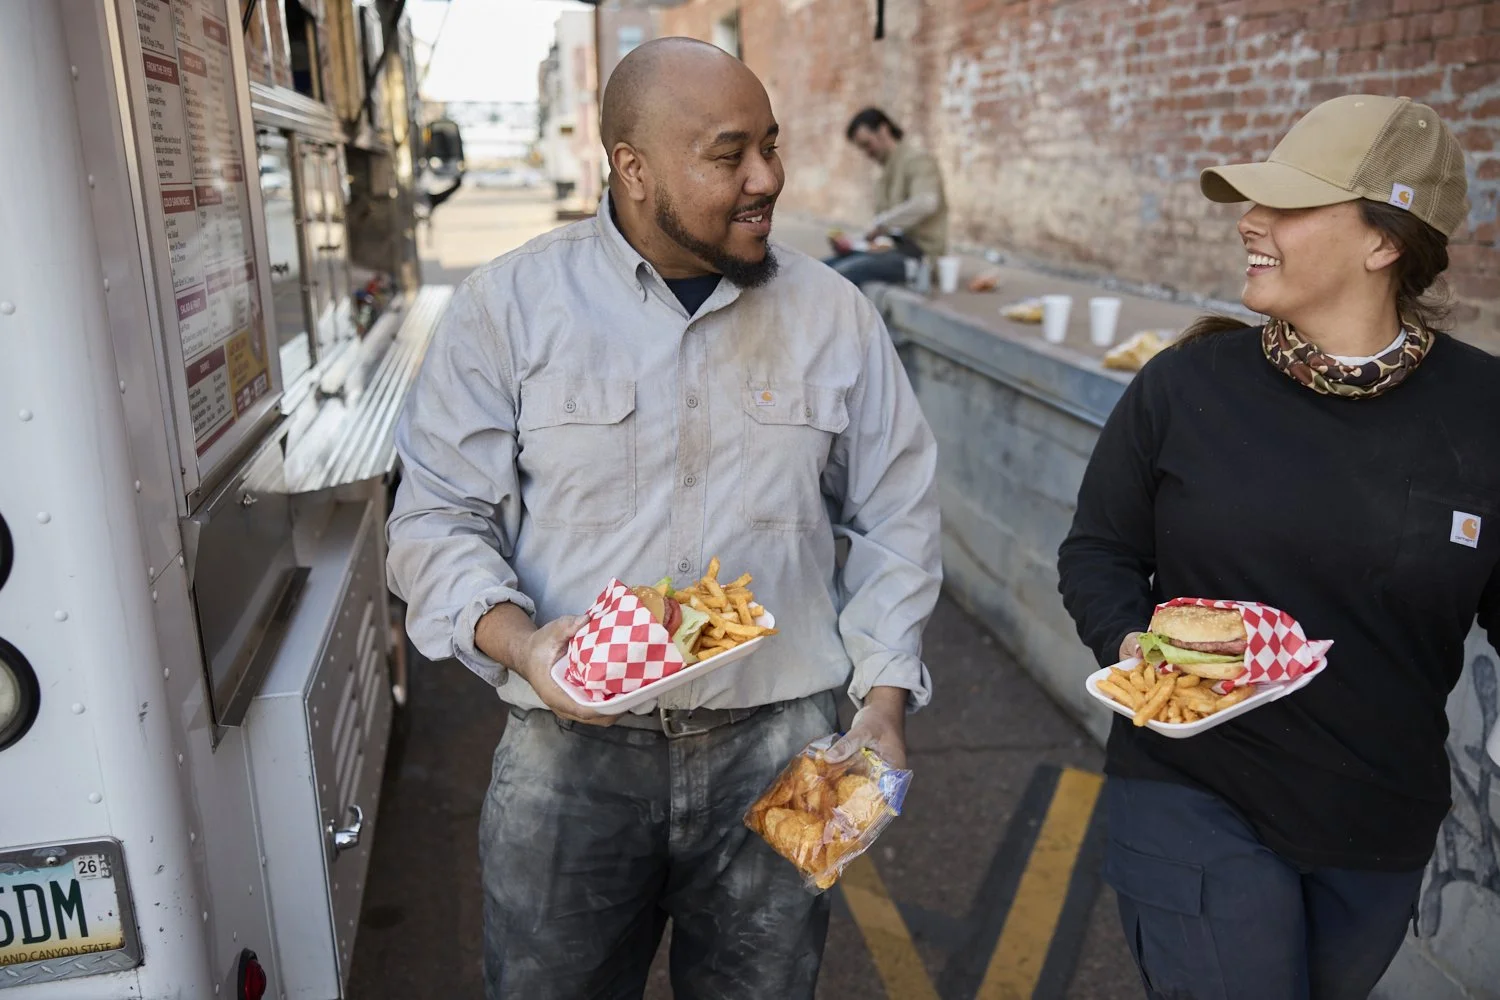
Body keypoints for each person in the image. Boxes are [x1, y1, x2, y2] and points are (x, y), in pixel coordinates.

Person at [386, 37, 941, 1000]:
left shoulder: (835, 315)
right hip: (569, 762)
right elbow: (434, 520)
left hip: (783, 748)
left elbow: (897, 513)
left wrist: (884, 698)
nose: (766, 177)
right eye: (730, 156)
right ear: (632, 168)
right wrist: (523, 647)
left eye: (772, 145)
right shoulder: (509, 307)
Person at [1057, 94, 1499, 999]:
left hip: (1377, 825)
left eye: (1290, 205)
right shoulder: (1185, 384)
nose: (1251, 223)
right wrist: (1136, 649)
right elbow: (1097, 553)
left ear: (1384, 242)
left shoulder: (1484, 411)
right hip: (1191, 790)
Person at [824, 107, 948, 287]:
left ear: (883, 130)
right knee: (822, 268)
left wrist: (882, 223)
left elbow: (926, 203)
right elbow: (883, 231)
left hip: (920, 257)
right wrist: (854, 242)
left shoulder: (918, 160)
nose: (867, 153)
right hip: (890, 250)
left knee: (840, 274)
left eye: (867, 144)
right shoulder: (885, 172)